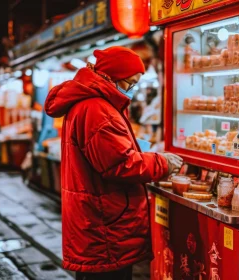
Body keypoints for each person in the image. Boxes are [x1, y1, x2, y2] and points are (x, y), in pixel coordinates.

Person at [44, 46, 182, 280]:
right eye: (130, 82)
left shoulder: (92, 103)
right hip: (105, 224)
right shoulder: (97, 108)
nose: (131, 89)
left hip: (98, 217)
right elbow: (120, 164)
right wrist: (162, 163)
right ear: (113, 76)